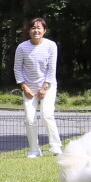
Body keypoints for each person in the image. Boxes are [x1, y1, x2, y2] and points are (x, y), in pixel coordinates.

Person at [14, 17, 62, 158]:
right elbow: (17, 68)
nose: (36, 30)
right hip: (29, 87)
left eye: (39, 28)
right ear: (29, 31)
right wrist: (24, 87)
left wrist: (45, 88)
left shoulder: (51, 45)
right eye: (33, 28)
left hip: (48, 85)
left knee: (47, 115)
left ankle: (55, 147)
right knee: (30, 119)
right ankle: (35, 150)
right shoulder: (22, 47)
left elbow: (52, 68)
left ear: (44, 30)